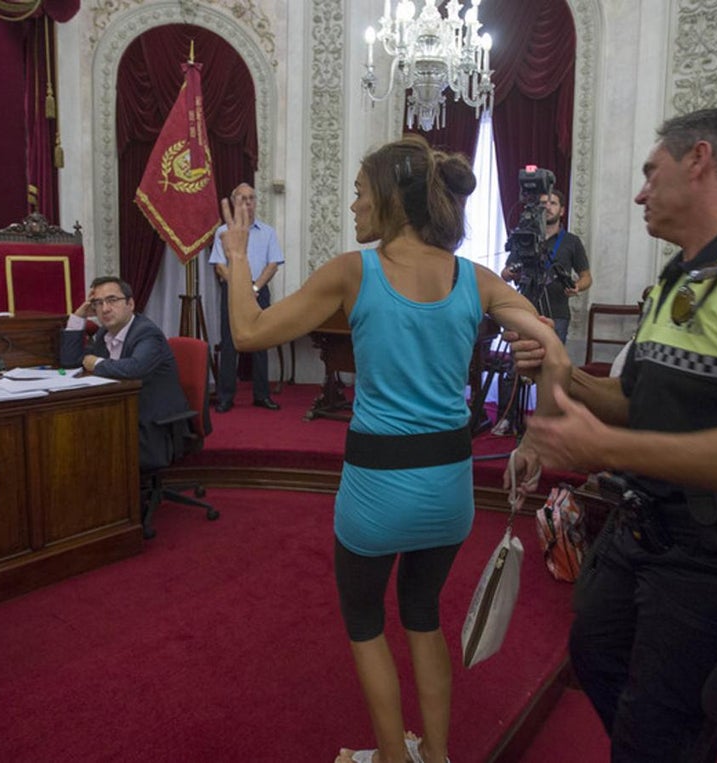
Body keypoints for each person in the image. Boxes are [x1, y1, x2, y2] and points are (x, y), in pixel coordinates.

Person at [218, 135, 569, 763]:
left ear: (388, 199)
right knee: (423, 615)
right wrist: (537, 435)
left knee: (364, 623)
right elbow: (552, 347)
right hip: (450, 489)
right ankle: (435, 755)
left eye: (358, 193)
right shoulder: (477, 278)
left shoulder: (355, 271)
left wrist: (239, 254)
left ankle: (390, 756)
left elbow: (247, 332)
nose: (353, 207)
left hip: (377, 488)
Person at [507, 108, 717, 759]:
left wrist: (603, 450)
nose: (639, 192)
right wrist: (565, 374)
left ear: (700, 160)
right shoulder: (675, 280)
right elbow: (636, 403)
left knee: (661, 726)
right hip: (644, 533)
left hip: (715, 553)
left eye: (649, 173)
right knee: (595, 655)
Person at [60, 276, 189, 470]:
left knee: (86, 447)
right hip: (121, 414)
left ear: (130, 303)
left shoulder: (147, 333)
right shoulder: (104, 333)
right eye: (98, 303)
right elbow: (71, 362)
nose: (105, 309)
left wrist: (96, 363)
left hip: (153, 425)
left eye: (112, 300)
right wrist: (79, 316)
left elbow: (134, 369)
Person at [208, 183, 284, 412]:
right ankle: (226, 397)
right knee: (230, 344)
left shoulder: (268, 232)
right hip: (232, 293)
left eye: (251, 198)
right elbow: (220, 266)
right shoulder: (223, 232)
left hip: (259, 292)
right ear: (233, 203)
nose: (248, 203)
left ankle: (262, 395)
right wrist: (239, 287)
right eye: (242, 199)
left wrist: (253, 288)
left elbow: (273, 265)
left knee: (261, 342)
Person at [501, 188, 591, 342]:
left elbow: (586, 277)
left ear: (562, 211)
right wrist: (510, 273)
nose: (548, 207)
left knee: (552, 362)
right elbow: (505, 273)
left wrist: (576, 286)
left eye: (553, 203)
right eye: (543, 203)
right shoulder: (525, 238)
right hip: (525, 310)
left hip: (557, 314)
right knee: (522, 360)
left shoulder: (572, 241)